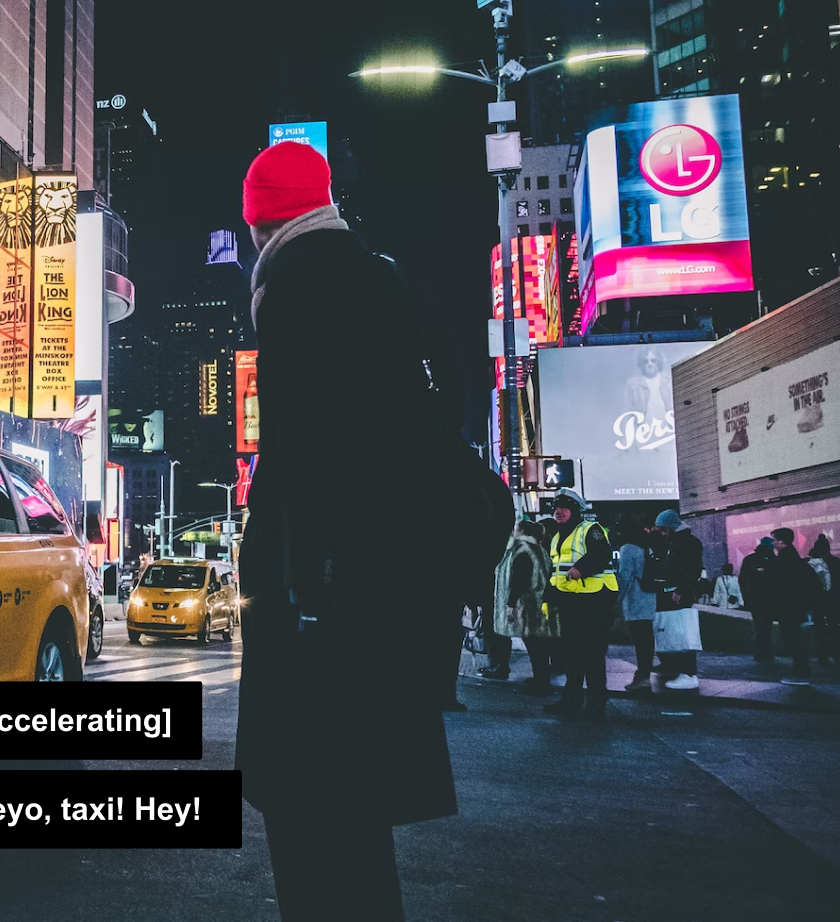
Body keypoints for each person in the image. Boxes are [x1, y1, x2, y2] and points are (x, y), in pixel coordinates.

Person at [233, 141, 506, 921]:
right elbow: (446, 403)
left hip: (322, 614)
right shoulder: (382, 275)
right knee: (357, 839)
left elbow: (302, 467)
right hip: (385, 607)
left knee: (312, 835)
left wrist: (297, 590)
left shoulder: (291, 289)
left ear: (258, 223)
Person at [544, 490, 617, 718]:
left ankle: (596, 703)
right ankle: (571, 701)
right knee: (572, 654)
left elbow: (602, 553)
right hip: (571, 602)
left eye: (564, 508)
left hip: (596, 600)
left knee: (592, 653)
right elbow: (555, 570)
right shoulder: (557, 536)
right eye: (556, 508)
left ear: (575, 510)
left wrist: (581, 568)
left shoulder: (590, 529)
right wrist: (548, 599)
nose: (558, 512)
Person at [485, 519, 557, 689]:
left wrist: (510, 604)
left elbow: (519, 579)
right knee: (538, 644)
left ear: (522, 531)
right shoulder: (539, 549)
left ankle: (541, 682)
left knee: (534, 644)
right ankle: (540, 678)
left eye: (516, 528)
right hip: (540, 601)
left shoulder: (521, 550)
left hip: (528, 605)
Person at [649, 510, 704, 691]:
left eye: (664, 530)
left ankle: (688, 673)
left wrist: (681, 590)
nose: (663, 533)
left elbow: (693, 569)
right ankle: (675, 666)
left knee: (683, 633)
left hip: (679, 594)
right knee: (673, 631)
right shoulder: (676, 541)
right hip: (671, 592)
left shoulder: (688, 543)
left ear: (672, 527)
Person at [772, 531, 821, 685]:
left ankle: (801, 674)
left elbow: (782, 585)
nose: (772, 543)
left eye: (773, 540)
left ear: (780, 542)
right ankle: (801, 673)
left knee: (794, 640)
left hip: (789, 607)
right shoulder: (793, 557)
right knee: (796, 640)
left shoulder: (785, 558)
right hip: (797, 606)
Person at [614, 517, 657, 694]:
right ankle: (644, 675)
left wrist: (614, 600)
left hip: (635, 599)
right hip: (649, 597)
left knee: (640, 640)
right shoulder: (645, 546)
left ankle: (642, 679)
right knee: (646, 640)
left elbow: (624, 577)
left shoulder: (628, 548)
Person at [809, 535, 840, 666]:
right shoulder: (836, 561)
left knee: (819, 627)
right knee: (834, 627)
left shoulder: (813, 563)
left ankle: (822, 654)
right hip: (834, 599)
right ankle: (838, 655)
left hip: (817, 600)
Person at [740, 537, 779, 662]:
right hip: (771, 600)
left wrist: (746, 598)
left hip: (754, 600)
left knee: (759, 625)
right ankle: (767, 653)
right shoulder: (774, 560)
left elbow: (742, 580)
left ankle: (761, 653)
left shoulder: (749, 560)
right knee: (767, 626)